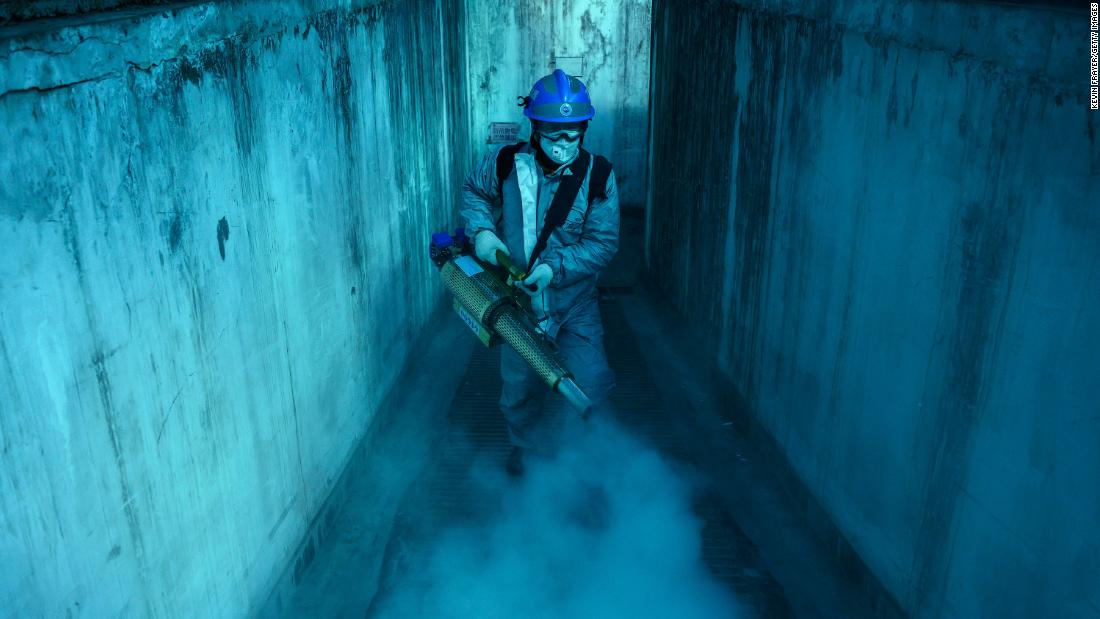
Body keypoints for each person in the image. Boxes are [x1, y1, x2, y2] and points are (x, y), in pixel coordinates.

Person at [459, 69, 620, 476]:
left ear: (584, 129)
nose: (563, 143)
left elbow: (603, 243)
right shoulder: (504, 163)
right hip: (519, 304)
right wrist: (482, 234)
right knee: (519, 388)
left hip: (574, 302)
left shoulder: (598, 176)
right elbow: (475, 191)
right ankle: (526, 449)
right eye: (553, 132)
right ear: (534, 127)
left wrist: (554, 268)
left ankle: (577, 460)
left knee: (591, 383)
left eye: (572, 133)